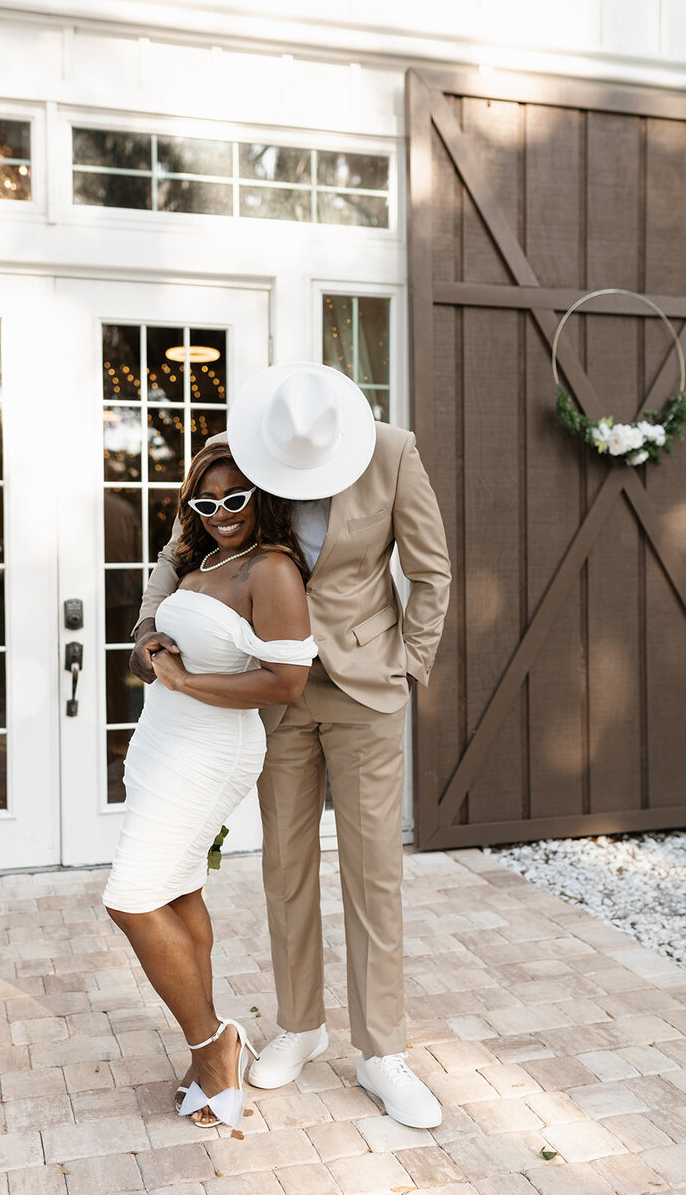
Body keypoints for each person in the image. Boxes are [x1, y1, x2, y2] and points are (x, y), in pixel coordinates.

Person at [130, 363, 451, 1129]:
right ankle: (301, 1025)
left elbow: (429, 571)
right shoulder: (228, 451)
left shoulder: (393, 451)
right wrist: (147, 629)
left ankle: (382, 1052)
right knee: (285, 865)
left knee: (374, 873)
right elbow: (175, 552)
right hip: (270, 695)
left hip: (365, 691)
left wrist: (406, 666)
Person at [103, 440, 317, 1131]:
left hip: (209, 749)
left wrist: (187, 679)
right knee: (176, 886)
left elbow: (286, 682)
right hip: (161, 740)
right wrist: (151, 648)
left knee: (132, 900)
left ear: (260, 499)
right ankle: (209, 1048)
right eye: (206, 503)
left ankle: (213, 1046)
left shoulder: (272, 569)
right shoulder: (201, 559)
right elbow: (154, 627)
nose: (222, 514)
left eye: (235, 500)